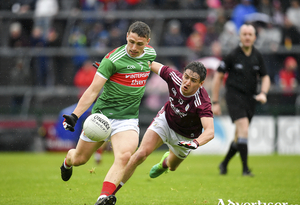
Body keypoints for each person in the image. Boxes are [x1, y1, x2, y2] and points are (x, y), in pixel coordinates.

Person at [60, 21, 156, 205]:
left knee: (124, 156)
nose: (134, 47)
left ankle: (103, 198)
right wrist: (75, 115)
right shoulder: (112, 59)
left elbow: (149, 63)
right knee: (80, 159)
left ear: (148, 42)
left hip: (127, 119)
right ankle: (67, 162)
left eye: (140, 44)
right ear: (127, 35)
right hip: (102, 118)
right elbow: (93, 91)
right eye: (131, 41)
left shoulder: (150, 53)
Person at [112, 61, 214, 198]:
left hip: (185, 138)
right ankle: (109, 194)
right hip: (165, 121)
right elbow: (148, 63)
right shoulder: (174, 77)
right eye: (186, 77)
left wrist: (195, 143)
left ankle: (164, 164)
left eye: (193, 80)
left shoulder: (202, 102)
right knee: (140, 154)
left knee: (172, 167)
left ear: (201, 84)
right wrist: (114, 66)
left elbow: (210, 131)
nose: (187, 82)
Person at [211, 24, 271, 176]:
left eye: (250, 34)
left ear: (254, 37)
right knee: (244, 129)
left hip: (250, 99)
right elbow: (218, 77)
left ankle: (224, 164)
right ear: (240, 36)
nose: (247, 37)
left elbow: (266, 77)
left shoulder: (258, 55)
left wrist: (263, 92)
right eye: (244, 34)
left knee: (239, 136)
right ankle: (245, 169)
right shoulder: (232, 55)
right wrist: (215, 102)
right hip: (234, 97)